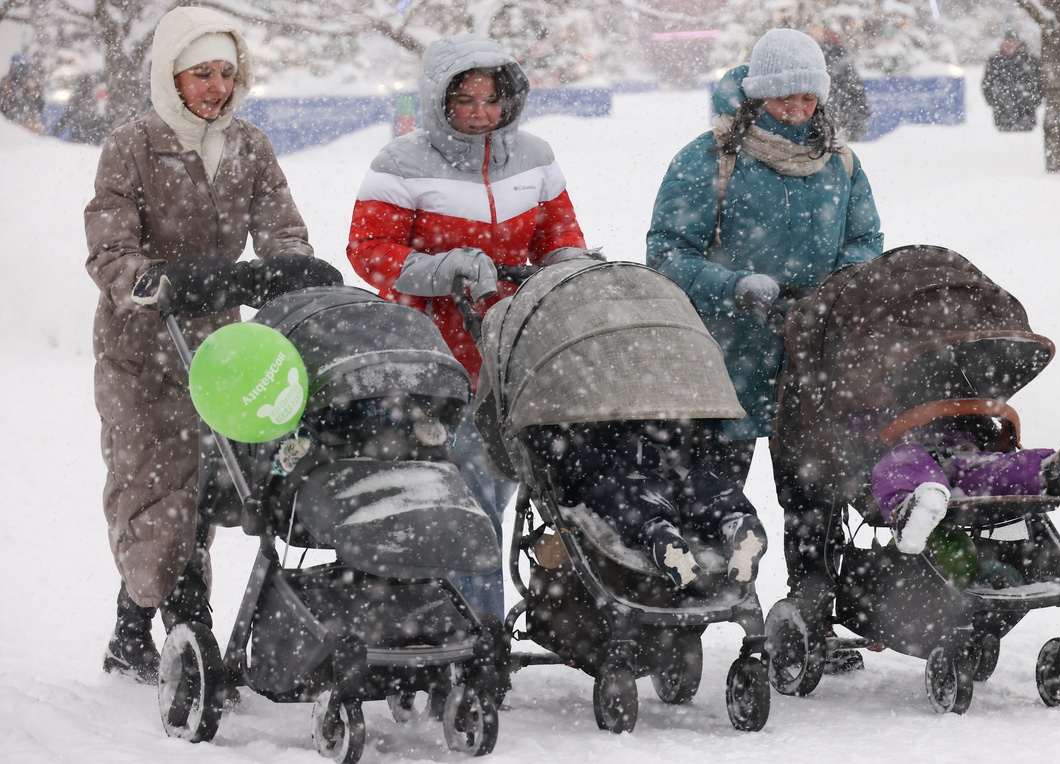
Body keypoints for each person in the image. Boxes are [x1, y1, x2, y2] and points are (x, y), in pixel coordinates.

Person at [85, 6, 337, 685]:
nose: (217, 87)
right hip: (141, 348)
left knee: (208, 485)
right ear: (172, 75)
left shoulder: (250, 147)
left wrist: (289, 266)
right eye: (202, 73)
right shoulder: (131, 146)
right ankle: (173, 624)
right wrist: (148, 280)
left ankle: (140, 628)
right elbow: (109, 249)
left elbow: (281, 226)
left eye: (227, 73)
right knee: (150, 486)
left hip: (222, 348)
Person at [647, 27, 883, 671]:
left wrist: (833, 293)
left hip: (809, 359)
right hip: (721, 358)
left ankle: (810, 619)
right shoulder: (709, 158)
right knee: (710, 501)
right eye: (785, 99)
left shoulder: (843, 165)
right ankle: (686, 627)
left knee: (814, 500)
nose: (798, 109)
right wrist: (735, 287)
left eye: (809, 98)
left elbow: (866, 246)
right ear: (757, 98)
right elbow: (667, 255)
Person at [347, 33, 591, 618]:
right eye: (467, 102)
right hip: (437, 349)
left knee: (507, 490)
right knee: (466, 495)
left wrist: (572, 270)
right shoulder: (401, 163)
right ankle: (472, 630)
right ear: (440, 101)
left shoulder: (534, 156)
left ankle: (497, 620)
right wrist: (442, 269)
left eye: (492, 100)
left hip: (514, 349)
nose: (482, 114)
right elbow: (368, 250)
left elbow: (558, 236)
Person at [530, 422, 769, 588]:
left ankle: (658, 532)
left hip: (613, 461)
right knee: (702, 483)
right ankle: (734, 519)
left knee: (632, 497)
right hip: (661, 443)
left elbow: (567, 460)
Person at [875, 414, 1060, 554]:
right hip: (903, 453)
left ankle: (1051, 472)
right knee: (905, 467)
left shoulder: (942, 391)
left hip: (955, 457)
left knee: (996, 467)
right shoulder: (874, 402)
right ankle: (907, 512)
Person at [982, 31, 1044, 132]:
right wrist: (996, 102)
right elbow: (987, 85)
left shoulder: (1030, 61)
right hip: (1002, 115)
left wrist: (1032, 101)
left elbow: (1039, 84)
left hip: (1026, 114)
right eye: (1007, 42)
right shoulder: (995, 62)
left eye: (1012, 42)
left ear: (1018, 44)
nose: (1009, 46)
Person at [817, 29, 869, 142]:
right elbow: (857, 94)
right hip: (843, 116)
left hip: (826, 117)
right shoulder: (844, 61)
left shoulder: (818, 59)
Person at [50, 74, 107, 144]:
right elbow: (101, 118)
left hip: (79, 131)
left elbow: (68, 115)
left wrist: (55, 132)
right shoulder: (95, 95)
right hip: (92, 132)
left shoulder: (78, 96)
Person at [0, 53, 45, 133]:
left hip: (28, 122)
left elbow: (40, 104)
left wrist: (34, 91)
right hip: (13, 123)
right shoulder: (7, 83)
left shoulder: (30, 82)